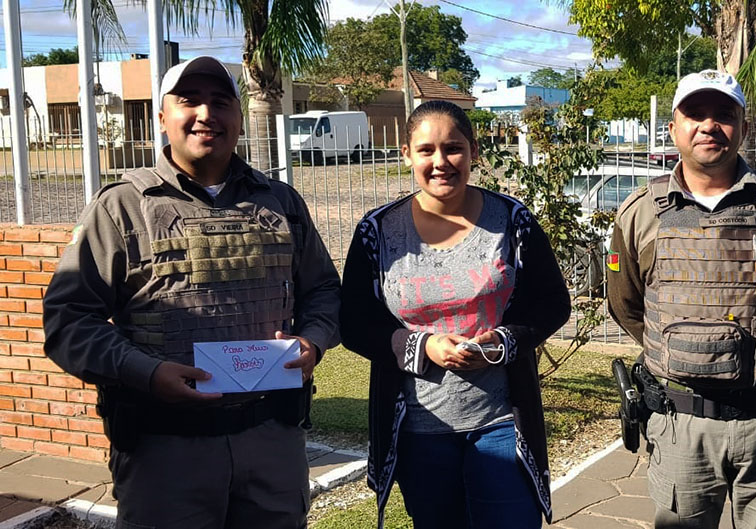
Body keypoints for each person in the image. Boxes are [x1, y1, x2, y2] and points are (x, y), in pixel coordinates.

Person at [42, 56, 340, 529]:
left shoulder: (280, 203)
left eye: (221, 102)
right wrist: (146, 371)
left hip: (272, 446)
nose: (206, 113)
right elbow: (69, 321)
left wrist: (314, 340)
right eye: (189, 100)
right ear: (163, 118)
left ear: (239, 120)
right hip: (167, 453)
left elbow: (324, 290)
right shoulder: (121, 207)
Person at [607, 69, 756, 528]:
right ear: (673, 128)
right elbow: (628, 305)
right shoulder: (640, 213)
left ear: (744, 129)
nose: (709, 126)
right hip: (680, 423)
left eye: (724, 115)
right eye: (695, 114)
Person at [340, 100, 570, 529]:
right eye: (426, 150)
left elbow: (553, 303)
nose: (441, 161)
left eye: (454, 148)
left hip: (502, 420)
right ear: (406, 154)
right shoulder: (377, 231)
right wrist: (420, 345)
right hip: (418, 429)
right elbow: (352, 321)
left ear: (474, 151)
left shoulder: (513, 222)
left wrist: (503, 344)